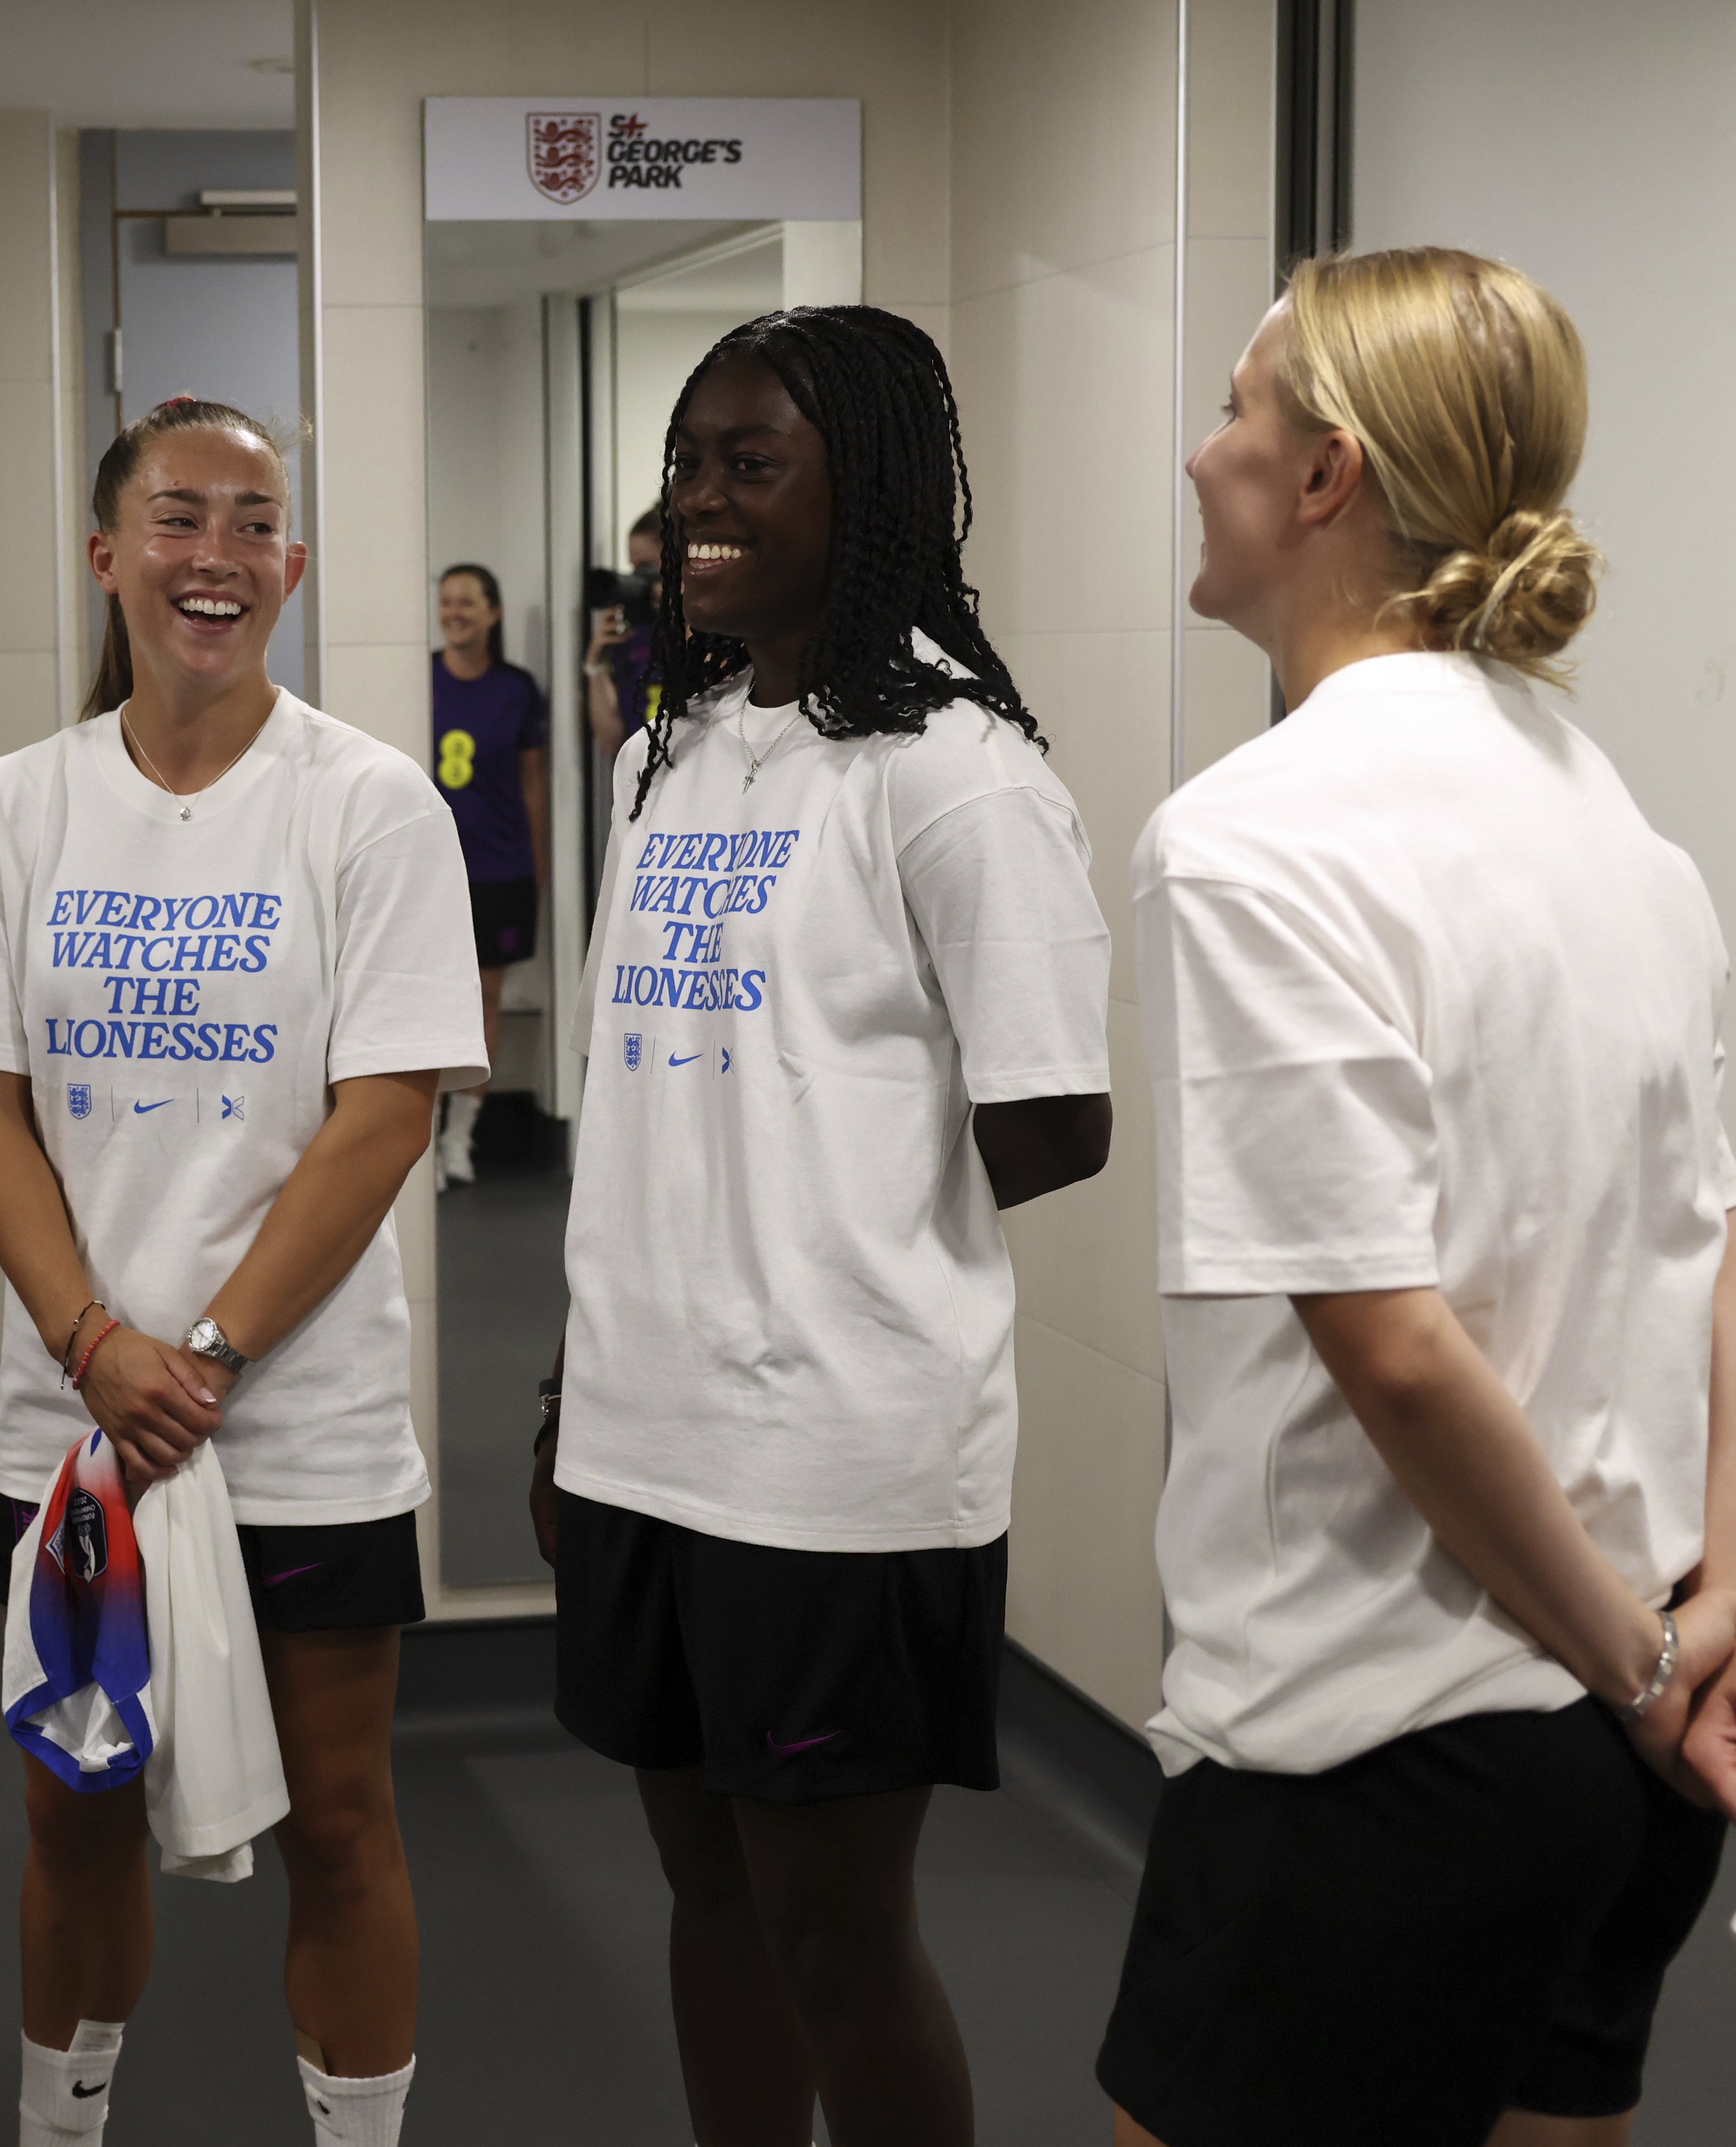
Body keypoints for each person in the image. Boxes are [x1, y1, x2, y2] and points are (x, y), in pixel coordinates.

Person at [1095, 248, 1736, 2147]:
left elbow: (1392, 1347)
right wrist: (1707, 1606)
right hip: (1614, 1758)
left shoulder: (1253, 835)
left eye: (1233, 411)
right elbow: (1727, 1246)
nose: (1198, 450)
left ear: (1321, 475)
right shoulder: (1611, 823)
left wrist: (1644, 1649)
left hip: (1375, 1753)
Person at [532, 306, 1113, 2147]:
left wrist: (830, 1203)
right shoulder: (683, 742)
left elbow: (1050, 1119)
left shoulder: (951, 770)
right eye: (683, 460)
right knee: (703, 1891)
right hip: (647, 1436)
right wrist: (583, 1387)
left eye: (745, 461)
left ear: (852, 488)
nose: (693, 500)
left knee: (833, 1930)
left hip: (833, 1462)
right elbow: (649, 1108)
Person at [0, 396, 485, 2147]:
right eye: (174, 517)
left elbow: (377, 1117)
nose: (212, 555)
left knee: (342, 1818)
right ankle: (58, 2126)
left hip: (299, 1424)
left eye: (251, 522)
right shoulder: (8, 810)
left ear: (289, 564)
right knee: (73, 1804)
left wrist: (202, 1349)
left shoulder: (368, 803)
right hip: (73, 1429)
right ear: (104, 554)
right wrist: (92, 1339)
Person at [427, 562, 547, 1188]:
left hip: (499, 866)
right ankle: (422, 1137)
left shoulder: (517, 688)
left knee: (483, 999)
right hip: (428, 869)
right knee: (422, 999)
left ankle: (458, 1138)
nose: (455, 612)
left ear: (492, 612)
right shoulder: (416, 678)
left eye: (467, 602)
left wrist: (538, 865)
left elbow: (533, 783)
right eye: (446, 601)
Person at [582, 508, 664, 762]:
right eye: (633, 567)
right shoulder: (630, 639)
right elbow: (611, 743)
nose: (638, 578)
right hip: (641, 785)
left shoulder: (714, 635)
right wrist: (596, 665)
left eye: (648, 567)